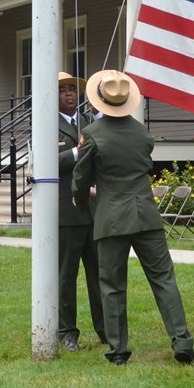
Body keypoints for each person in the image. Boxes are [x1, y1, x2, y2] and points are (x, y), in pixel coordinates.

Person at [72, 70, 194, 366]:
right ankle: (182, 341)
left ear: (99, 102)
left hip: (112, 217)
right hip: (146, 214)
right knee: (164, 279)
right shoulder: (142, 133)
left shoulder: (91, 135)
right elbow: (144, 164)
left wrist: (82, 202)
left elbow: (81, 180)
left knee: (113, 284)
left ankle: (118, 350)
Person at [55, 71, 105, 352]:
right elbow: (45, 161)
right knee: (66, 276)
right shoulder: (45, 124)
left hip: (93, 212)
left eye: (72, 89)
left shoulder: (87, 122)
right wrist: (76, 152)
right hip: (66, 214)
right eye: (62, 90)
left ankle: (105, 329)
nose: (69, 94)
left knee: (99, 275)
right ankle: (68, 332)